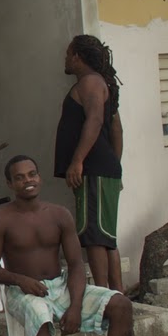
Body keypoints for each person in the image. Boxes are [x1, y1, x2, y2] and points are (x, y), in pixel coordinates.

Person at [0, 155, 154, 336]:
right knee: (39, 315)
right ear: (10, 184)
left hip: (60, 286)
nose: (28, 181)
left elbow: (75, 265)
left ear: (39, 177)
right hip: (22, 291)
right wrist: (20, 279)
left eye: (32, 174)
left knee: (121, 304)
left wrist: (75, 305)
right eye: (19, 177)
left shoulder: (59, 214)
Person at [55, 34, 125, 292]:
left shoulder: (90, 82)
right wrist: (115, 167)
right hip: (103, 169)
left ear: (77, 57)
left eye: (68, 54)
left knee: (95, 236)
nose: (65, 59)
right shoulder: (102, 83)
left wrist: (78, 161)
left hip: (94, 170)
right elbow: (117, 129)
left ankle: (104, 295)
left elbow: (94, 120)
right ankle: (116, 295)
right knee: (106, 238)